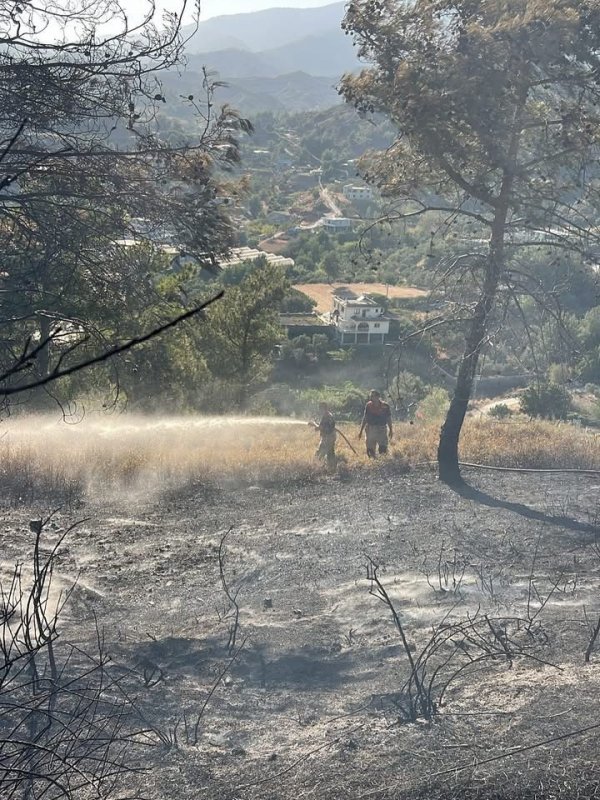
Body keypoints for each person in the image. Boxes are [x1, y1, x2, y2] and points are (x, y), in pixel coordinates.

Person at [358, 390, 393, 457]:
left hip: (381, 430)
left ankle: (383, 464)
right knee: (370, 451)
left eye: (374, 396)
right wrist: (361, 431)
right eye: (371, 396)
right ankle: (373, 463)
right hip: (370, 429)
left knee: (383, 450)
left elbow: (389, 419)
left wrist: (391, 430)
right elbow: (365, 418)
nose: (373, 398)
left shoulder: (385, 406)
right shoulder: (368, 405)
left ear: (378, 397)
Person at [310, 401, 336, 468]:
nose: (319, 410)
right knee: (330, 454)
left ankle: (316, 467)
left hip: (327, 438)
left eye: (320, 408)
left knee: (319, 454)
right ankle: (332, 468)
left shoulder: (326, 416)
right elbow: (323, 426)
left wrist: (313, 424)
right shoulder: (329, 415)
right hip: (331, 437)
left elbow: (320, 427)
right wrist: (316, 425)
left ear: (323, 408)